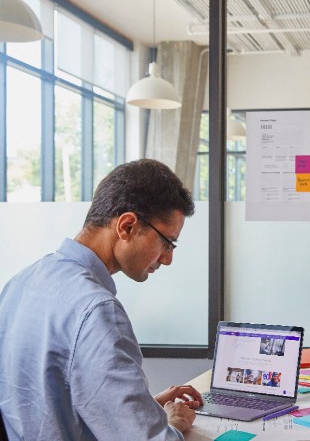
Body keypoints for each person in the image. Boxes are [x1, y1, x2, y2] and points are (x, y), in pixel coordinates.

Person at [0, 159, 203, 440]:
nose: (168, 259)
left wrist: (146, 408)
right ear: (127, 226)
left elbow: (50, 405)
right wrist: (173, 424)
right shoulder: (96, 311)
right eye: (167, 243)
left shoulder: (21, 282)